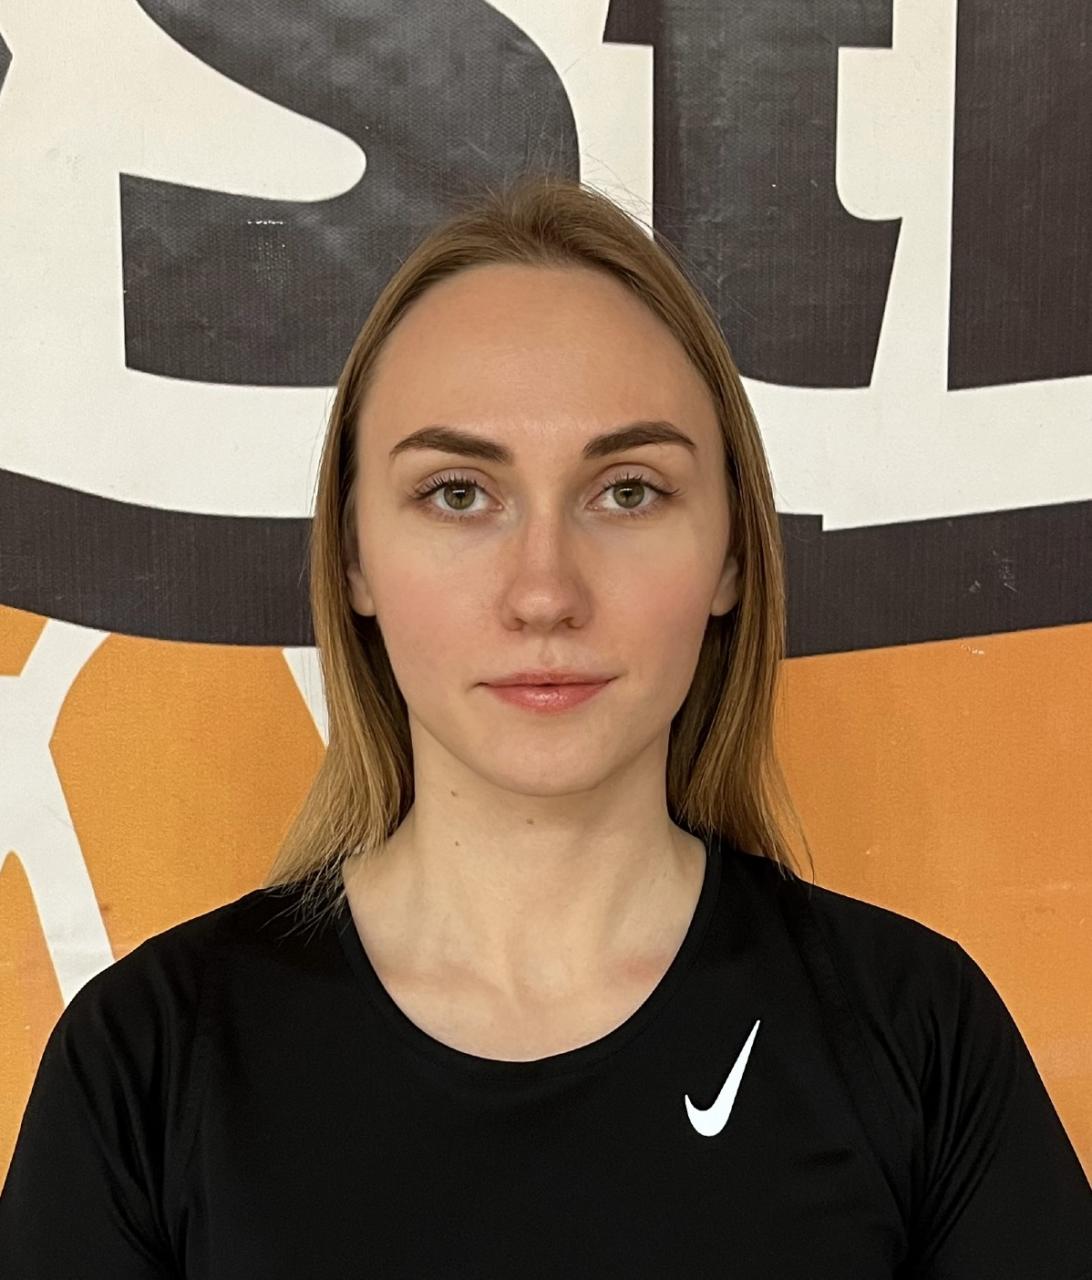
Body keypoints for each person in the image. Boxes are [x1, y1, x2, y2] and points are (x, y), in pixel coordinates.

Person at [2, 172, 1090, 1278]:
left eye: (628, 491)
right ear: (353, 557)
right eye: (458, 493)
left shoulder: (916, 1035)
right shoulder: (146, 1065)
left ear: (730, 554)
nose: (544, 592)